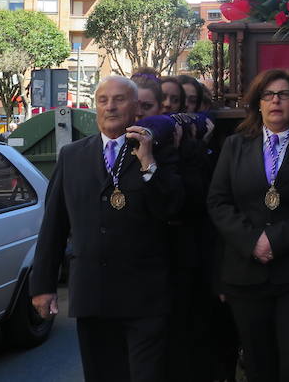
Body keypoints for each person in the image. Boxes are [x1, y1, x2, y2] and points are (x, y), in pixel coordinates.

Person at [30, 76, 184, 382]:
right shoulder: (72, 155)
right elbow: (54, 225)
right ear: (95, 106)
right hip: (93, 295)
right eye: (103, 100)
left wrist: (149, 165)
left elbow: (173, 210)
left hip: (145, 296)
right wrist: (43, 285)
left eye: (119, 100)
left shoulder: (156, 151)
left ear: (137, 107)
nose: (110, 107)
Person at [208, 69, 289, 382]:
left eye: (283, 94)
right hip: (247, 275)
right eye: (268, 95)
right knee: (258, 366)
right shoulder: (236, 145)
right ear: (257, 103)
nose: (275, 100)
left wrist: (274, 240)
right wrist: (252, 241)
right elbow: (219, 202)